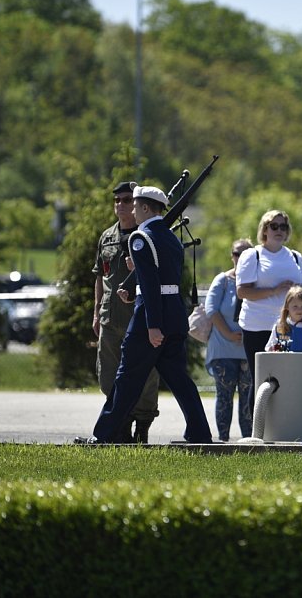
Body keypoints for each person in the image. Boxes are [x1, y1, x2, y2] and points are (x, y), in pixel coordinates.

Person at [83, 186, 212, 444]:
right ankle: (200, 433)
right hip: (174, 315)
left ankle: (105, 434)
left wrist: (153, 325)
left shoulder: (141, 238)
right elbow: (163, 277)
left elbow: (152, 286)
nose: (131, 210)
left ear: (144, 208)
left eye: (135, 205)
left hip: (148, 319)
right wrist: (137, 273)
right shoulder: (169, 238)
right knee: (180, 380)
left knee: (126, 377)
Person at [92, 181, 159, 443]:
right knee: (108, 374)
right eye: (117, 200)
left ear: (139, 205)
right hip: (111, 317)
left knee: (146, 374)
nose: (121, 205)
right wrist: (96, 312)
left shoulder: (148, 237)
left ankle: (142, 424)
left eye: (127, 200)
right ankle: (119, 423)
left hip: (139, 317)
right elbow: (100, 277)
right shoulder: (107, 237)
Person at [236, 209, 302, 435]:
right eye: (274, 226)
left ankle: (283, 430)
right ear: (264, 230)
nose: (279, 230)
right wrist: (275, 290)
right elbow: (242, 291)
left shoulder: (295, 257)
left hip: (288, 326)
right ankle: (256, 433)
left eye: (283, 227)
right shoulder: (252, 255)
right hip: (257, 326)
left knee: (288, 379)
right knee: (261, 378)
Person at [204, 238, 251, 442]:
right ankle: (223, 441)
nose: (240, 258)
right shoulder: (222, 280)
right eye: (237, 253)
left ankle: (249, 442)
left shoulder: (257, 282)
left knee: (248, 399)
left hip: (249, 350)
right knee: (225, 397)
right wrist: (229, 334)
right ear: (231, 256)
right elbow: (211, 310)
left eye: (246, 254)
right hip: (223, 349)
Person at [265, 285, 302, 402]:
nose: (299, 310)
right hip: (280, 376)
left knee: (298, 405)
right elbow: (269, 350)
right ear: (287, 307)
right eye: (295, 306)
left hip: (300, 377)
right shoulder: (279, 328)